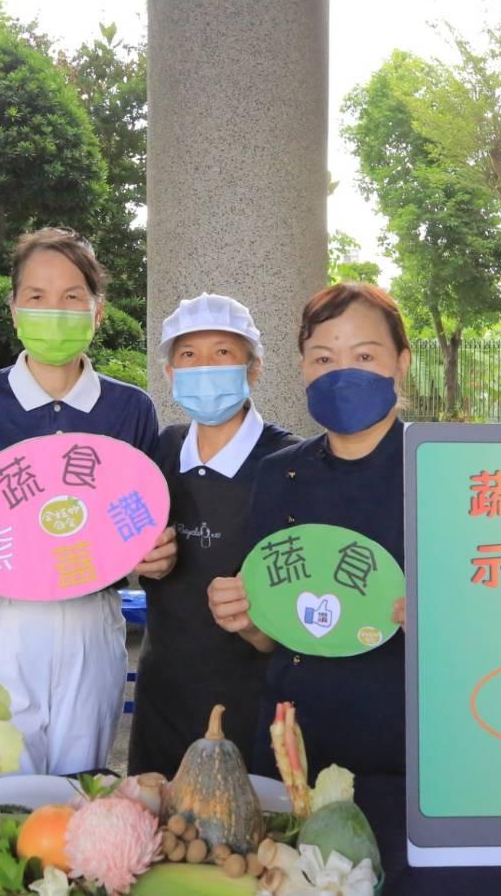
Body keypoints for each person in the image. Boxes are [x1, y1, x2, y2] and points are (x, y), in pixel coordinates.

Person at [0, 228, 177, 776]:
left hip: (91, 621)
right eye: (36, 296)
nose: (53, 310)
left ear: (97, 311)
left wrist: (157, 553)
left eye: (71, 297)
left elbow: (145, 519)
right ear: (14, 310)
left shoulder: (129, 410)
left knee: (81, 791)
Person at [208, 283, 411, 777]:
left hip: (405, 743)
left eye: (364, 355)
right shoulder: (279, 473)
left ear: (402, 363)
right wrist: (244, 618)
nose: (342, 373)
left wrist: (448, 623)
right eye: (323, 358)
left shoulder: (444, 471)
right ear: (303, 367)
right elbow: (270, 636)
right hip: (293, 740)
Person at [127, 293, 298, 776]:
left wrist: (256, 623)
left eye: (223, 352)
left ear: (254, 368)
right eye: (189, 355)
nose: (205, 367)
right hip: (162, 695)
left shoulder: (288, 464)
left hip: (251, 700)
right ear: (169, 372)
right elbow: (119, 539)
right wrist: (139, 558)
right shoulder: (162, 450)